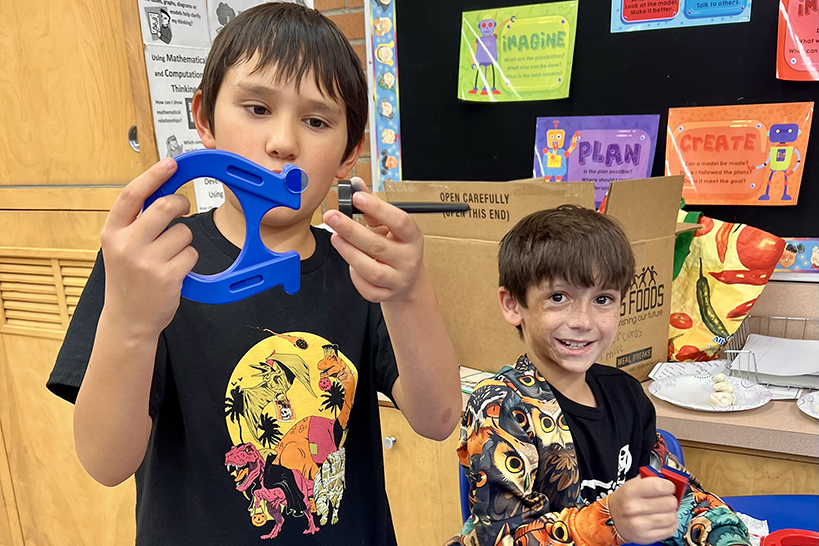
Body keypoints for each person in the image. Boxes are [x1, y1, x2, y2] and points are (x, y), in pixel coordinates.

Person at [47, 4, 460, 544]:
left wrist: (409, 292)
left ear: (348, 152)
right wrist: (130, 320)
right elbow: (105, 461)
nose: (283, 141)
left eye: (316, 120)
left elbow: (438, 419)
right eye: (257, 107)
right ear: (204, 120)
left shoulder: (363, 268)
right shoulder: (149, 263)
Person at [454, 205, 750, 546]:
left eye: (603, 299)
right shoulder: (500, 406)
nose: (583, 320)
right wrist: (610, 521)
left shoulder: (625, 392)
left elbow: (674, 491)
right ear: (513, 305)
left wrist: (726, 535)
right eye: (558, 297)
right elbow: (502, 537)